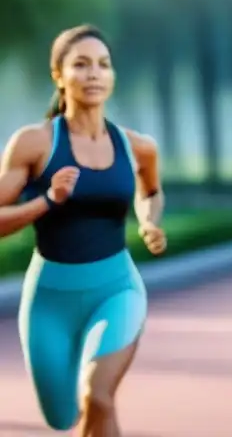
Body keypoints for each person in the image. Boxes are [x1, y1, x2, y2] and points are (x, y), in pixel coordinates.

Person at [0, 25, 166, 437]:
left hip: (117, 289)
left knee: (100, 395)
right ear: (58, 75)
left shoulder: (137, 146)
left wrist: (148, 221)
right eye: (81, 64)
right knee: (62, 418)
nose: (94, 74)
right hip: (50, 299)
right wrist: (47, 201)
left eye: (103, 65)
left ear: (112, 75)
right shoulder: (33, 144)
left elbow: (152, 190)